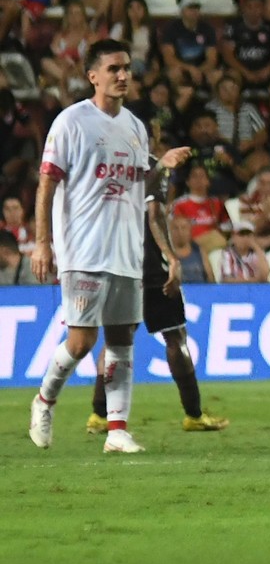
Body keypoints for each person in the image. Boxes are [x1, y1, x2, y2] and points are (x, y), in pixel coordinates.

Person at [29, 39, 191, 453]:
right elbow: (47, 183)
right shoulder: (71, 122)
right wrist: (42, 243)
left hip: (125, 251)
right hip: (82, 248)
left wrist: (162, 166)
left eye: (127, 68)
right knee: (82, 343)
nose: (123, 75)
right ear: (93, 76)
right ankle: (44, 400)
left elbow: (140, 186)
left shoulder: (135, 127)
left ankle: (117, 430)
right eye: (114, 68)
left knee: (122, 339)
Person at [87, 173, 229, 436]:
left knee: (116, 339)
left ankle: (98, 414)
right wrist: (172, 258)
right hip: (152, 269)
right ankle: (194, 414)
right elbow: (155, 215)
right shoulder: (152, 169)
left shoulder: (111, 169)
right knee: (175, 336)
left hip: (118, 266)